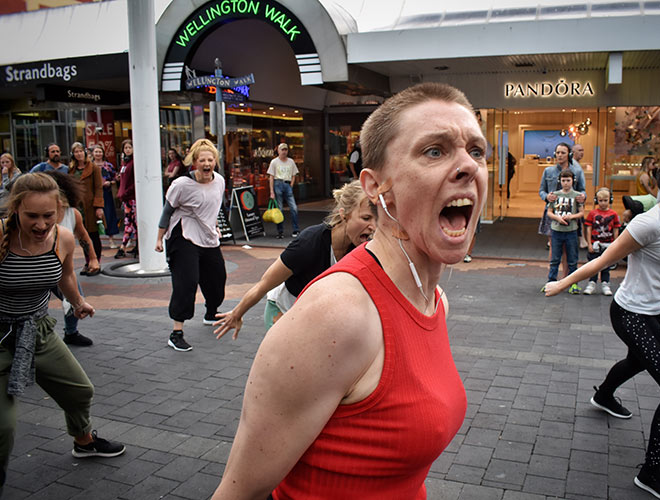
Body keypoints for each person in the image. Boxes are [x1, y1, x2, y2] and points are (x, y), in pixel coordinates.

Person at [212, 82, 486, 499]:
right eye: (435, 150)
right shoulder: (338, 313)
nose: (468, 165)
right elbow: (238, 493)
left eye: (476, 151)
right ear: (375, 186)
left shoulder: (435, 302)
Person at [545, 157, 660, 500]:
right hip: (631, 313)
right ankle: (651, 472)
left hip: (653, 312)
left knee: (638, 361)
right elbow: (603, 260)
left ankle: (603, 395)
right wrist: (559, 284)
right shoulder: (649, 224)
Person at [0, 173, 125, 493]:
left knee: (80, 391)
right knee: (3, 428)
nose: (41, 225)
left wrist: (78, 302)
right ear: (15, 210)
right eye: (31, 216)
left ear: (59, 210)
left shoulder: (63, 238)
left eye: (48, 216)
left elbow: (66, 275)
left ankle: (84, 441)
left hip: (38, 331)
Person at [213, 180, 375, 339]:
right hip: (284, 312)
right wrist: (237, 314)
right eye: (366, 218)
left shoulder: (362, 247)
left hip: (314, 315)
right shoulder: (308, 243)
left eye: (376, 219)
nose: (373, 226)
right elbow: (263, 285)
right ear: (344, 215)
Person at [156, 139, 226, 352]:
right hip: (183, 235)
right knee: (187, 281)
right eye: (202, 160)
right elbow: (167, 211)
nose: (207, 163)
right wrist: (159, 238)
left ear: (215, 161)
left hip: (207, 236)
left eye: (210, 159)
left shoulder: (220, 181)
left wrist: (214, 226)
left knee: (217, 277)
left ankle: (211, 312)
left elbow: (212, 207)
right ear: (194, 163)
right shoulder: (181, 184)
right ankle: (176, 332)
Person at [42, 170, 98, 346]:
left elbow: (83, 237)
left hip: (61, 269)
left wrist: (94, 259)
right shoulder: (36, 214)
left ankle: (71, 333)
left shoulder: (72, 214)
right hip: (36, 268)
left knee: (75, 298)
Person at [538, 142, 586, 258]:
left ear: (569, 155)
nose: (559, 155)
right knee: (553, 248)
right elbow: (541, 191)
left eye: (563, 153)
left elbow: (582, 190)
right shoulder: (548, 171)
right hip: (552, 212)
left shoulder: (577, 171)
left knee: (567, 250)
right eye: (558, 152)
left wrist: (582, 197)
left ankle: (565, 276)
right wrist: (546, 197)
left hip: (570, 212)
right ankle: (552, 275)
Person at [545, 169, 584, 293]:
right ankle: (551, 281)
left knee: (572, 259)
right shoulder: (555, 195)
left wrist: (571, 217)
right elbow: (549, 212)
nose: (566, 183)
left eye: (568, 180)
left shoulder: (577, 196)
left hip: (571, 230)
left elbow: (582, 213)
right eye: (563, 180)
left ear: (573, 181)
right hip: (556, 230)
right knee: (555, 259)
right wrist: (557, 218)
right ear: (559, 181)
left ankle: (573, 283)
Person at [68, 142, 104, 275]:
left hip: (90, 206)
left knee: (93, 235)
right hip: (78, 206)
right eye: (76, 152)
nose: (78, 154)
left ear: (85, 152)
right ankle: (88, 260)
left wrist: (99, 206)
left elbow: (98, 188)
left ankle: (96, 261)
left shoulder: (93, 168)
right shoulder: (71, 169)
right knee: (82, 236)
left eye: (80, 151)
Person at [583, 187, 620, 296]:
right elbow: (588, 228)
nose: (603, 203)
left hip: (608, 244)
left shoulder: (613, 214)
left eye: (605, 200)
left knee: (606, 266)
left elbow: (616, 229)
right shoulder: (592, 213)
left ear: (610, 200)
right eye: (600, 201)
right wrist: (589, 243)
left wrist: (615, 244)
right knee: (593, 265)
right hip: (595, 244)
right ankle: (591, 283)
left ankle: (605, 284)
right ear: (596, 201)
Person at [267, 143, 300, 239]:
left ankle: (295, 229)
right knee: (279, 209)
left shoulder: (291, 161)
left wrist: (291, 185)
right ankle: (280, 231)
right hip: (278, 183)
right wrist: (271, 191)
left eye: (286, 150)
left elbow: (294, 174)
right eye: (282, 150)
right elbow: (271, 177)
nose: (284, 152)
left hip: (287, 183)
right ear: (278, 151)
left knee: (294, 208)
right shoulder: (274, 162)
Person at [92, 145, 119, 249]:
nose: (98, 154)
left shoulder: (108, 166)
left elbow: (115, 178)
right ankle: (96, 241)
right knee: (95, 216)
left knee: (109, 215)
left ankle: (111, 239)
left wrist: (109, 182)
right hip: (94, 194)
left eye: (100, 152)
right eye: (96, 152)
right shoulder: (90, 165)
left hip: (106, 193)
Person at [114, 140, 137, 259]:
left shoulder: (134, 163)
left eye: (130, 147)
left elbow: (134, 181)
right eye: (125, 147)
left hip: (131, 197)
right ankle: (135, 246)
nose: (127, 149)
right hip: (125, 197)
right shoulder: (124, 163)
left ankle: (123, 247)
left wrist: (126, 192)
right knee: (132, 222)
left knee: (130, 222)